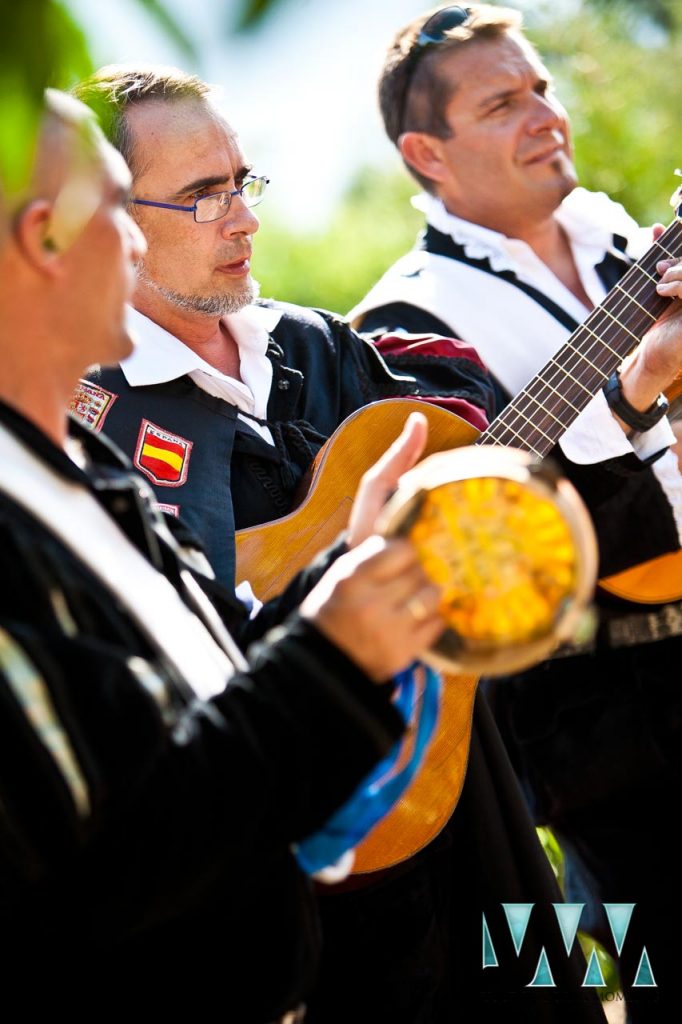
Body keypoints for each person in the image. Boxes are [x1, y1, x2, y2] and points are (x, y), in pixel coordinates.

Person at [71, 60, 682, 1024]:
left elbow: (505, 526)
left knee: (559, 993)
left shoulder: (323, 349)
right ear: (106, 221)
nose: (243, 218)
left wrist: (632, 386)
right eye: (200, 197)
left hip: (475, 802)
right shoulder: (93, 430)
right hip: (325, 877)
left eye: (242, 183)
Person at [0, 88, 453, 1017]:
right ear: (45, 241)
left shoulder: (88, 473)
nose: (132, 247)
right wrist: (336, 655)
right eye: (113, 211)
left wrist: (344, 574)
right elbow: (110, 860)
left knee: (548, 970)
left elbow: (213, 707)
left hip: (412, 886)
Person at [351, 5, 682, 1020]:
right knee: (635, 958)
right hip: (601, 715)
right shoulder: (402, 325)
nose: (545, 114)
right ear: (427, 154)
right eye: (502, 102)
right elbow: (490, 527)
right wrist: (630, 393)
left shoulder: (622, 233)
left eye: (540, 87)